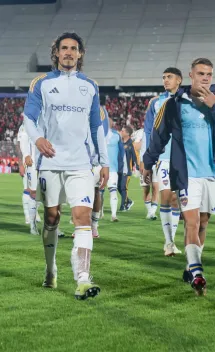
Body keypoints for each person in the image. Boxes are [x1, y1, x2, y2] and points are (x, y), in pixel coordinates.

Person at [143, 58, 215, 295]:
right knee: (192, 222)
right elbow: (159, 135)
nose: (205, 78)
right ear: (191, 75)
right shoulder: (175, 103)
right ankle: (197, 273)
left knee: (204, 222)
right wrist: (147, 163)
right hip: (186, 173)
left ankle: (190, 265)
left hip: (212, 172)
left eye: (209, 74)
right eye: (201, 73)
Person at [23, 32, 109, 300]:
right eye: (64, 48)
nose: (69, 52)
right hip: (50, 162)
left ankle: (82, 278)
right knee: (51, 218)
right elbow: (28, 117)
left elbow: (96, 126)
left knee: (82, 218)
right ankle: (51, 269)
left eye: (73, 48)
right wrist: (37, 139)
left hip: (80, 164)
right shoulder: (42, 84)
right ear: (57, 53)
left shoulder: (90, 86)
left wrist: (104, 161)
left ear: (80, 53)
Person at [142, 67, 183, 256]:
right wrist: (148, 159)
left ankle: (172, 240)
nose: (166, 80)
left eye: (170, 77)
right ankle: (168, 242)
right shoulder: (156, 103)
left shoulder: (188, 100)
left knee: (177, 199)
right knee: (167, 195)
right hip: (164, 157)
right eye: (164, 77)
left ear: (179, 80)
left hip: (183, 157)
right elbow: (150, 131)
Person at [90, 95, 110, 238]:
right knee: (80, 193)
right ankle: (83, 225)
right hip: (79, 159)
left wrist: (103, 161)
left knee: (95, 191)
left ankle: (94, 226)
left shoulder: (99, 110)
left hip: (95, 159)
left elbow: (103, 134)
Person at [106, 117, 124, 222]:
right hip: (99, 167)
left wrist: (121, 167)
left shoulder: (117, 135)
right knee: (98, 193)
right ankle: (99, 213)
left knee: (113, 191)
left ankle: (113, 215)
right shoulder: (97, 132)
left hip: (112, 169)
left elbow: (121, 153)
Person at [119, 125, 138, 211]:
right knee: (118, 187)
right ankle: (128, 201)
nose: (121, 132)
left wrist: (137, 166)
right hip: (119, 168)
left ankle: (122, 206)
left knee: (123, 187)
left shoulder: (131, 144)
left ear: (127, 133)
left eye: (122, 131)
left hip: (127, 170)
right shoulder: (119, 142)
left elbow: (135, 156)